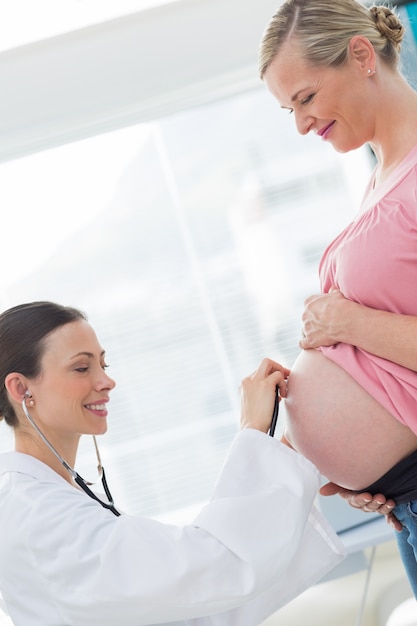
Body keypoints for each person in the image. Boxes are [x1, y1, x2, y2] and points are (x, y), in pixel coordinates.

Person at [0, 301, 344, 626]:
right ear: (20, 388)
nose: (106, 381)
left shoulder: (45, 498)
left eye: (103, 365)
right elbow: (211, 567)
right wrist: (252, 431)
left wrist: (292, 454)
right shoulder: (40, 516)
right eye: (81, 367)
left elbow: (190, 606)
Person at [258, 0, 417, 596]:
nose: (300, 124)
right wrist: (362, 468)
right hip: (401, 501)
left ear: (360, 55)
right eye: (288, 110)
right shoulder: (382, 174)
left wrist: (347, 321)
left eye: (304, 98)